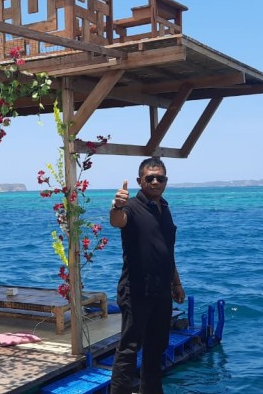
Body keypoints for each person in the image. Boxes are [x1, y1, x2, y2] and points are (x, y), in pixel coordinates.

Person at [109, 157, 185, 394]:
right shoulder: (130, 207)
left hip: (162, 291)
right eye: (149, 178)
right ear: (139, 181)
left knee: (156, 348)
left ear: (165, 181)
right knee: (129, 349)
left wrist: (176, 283)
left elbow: (166, 251)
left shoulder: (164, 208)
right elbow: (117, 221)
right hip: (136, 291)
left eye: (160, 178)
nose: (155, 182)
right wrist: (116, 206)